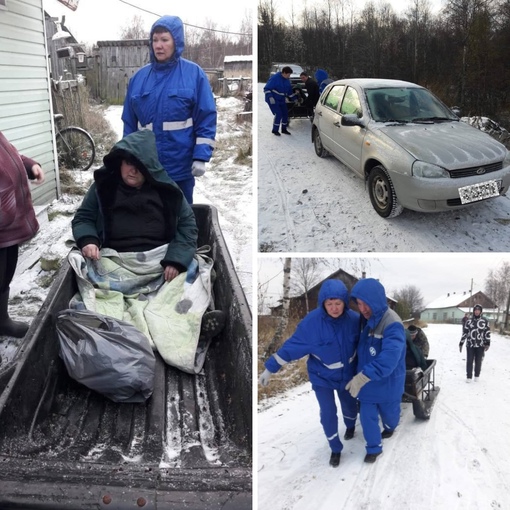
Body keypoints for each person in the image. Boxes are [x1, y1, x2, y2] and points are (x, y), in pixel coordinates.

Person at [259, 279, 360, 468]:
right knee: (328, 413)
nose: (334, 308)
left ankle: (351, 425)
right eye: (329, 304)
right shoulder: (311, 324)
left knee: (349, 405)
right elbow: (291, 348)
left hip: (348, 375)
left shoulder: (354, 320)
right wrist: (270, 368)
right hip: (322, 377)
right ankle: (335, 448)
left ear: (345, 303)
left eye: (338, 303)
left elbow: (368, 342)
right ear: (323, 303)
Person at [72, 129, 198, 280]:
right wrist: (88, 240)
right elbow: (84, 217)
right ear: (120, 163)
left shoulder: (167, 190)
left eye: (140, 165)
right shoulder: (103, 187)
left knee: (193, 274)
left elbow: (187, 224)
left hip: (160, 260)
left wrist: (176, 260)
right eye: (128, 163)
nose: (133, 170)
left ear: (149, 166)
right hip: (114, 260)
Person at [122, 15, 217, 205]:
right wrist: (127, 158)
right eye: (155, 40)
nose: (159, 45)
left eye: (165, 39)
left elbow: (206, 117)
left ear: (176, 42)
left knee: (181, 219)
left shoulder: (193, 74)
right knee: (149, 219)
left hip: (180, 168)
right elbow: (129, 124)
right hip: (147, 168)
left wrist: (201, 155)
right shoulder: (139, 79)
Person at [347, 278, 406, 464]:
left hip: (388, 384)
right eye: (359, 304)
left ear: (376, 301)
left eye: (366, 304)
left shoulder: (392, 323)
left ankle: (390, 426)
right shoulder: (364, 321)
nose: (362, 309)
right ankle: (373, 448)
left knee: (390, 417)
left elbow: (389, 359)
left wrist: (362, 377)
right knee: (367, 417)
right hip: (368, 384)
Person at [0, 131, 45, 337]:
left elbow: (10, 156)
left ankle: (1, 320)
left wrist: (28, 165)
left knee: (5, 274)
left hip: (9, 226)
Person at [459, 304, 490, 382]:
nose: (477, 312)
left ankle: (477, 375)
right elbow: (465, 332)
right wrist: (461, 342)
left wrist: (487, 343)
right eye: (475, 310)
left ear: (480, 312)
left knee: (478, 361)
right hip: (470, 344)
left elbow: (487, 332)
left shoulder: (485, 321)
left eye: (478, 310)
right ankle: (469, 376)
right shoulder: (469, 321)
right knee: (469, 360)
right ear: (473, 311)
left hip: (480, 344)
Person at [264, 66, 298, 136]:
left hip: (282, 99)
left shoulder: (287, 80)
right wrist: (270, 97)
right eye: (288, 74)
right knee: (279, 114)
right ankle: (275, 130)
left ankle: (284, 129)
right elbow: (266, 88)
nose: (289, 76)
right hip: (273, 99)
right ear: (284, 73)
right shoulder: (275, 78)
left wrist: (294, 98)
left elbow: (289, 92)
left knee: (285, 113)